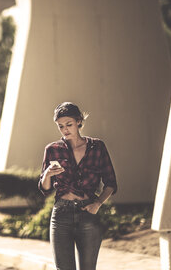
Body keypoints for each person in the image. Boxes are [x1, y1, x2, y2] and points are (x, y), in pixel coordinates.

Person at [38, 102, 117, 270]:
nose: (65, 129)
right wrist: (47, 175)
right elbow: (45, 188)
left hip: (87, 212)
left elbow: (111, 183)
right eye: (60, 126)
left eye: (69, 124)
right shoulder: (52, 149)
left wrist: (97, 204)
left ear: (79, 122)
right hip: (61, 215)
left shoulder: (97, 147)